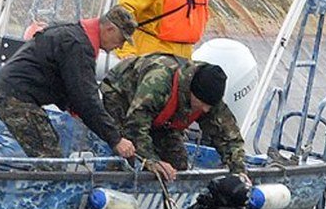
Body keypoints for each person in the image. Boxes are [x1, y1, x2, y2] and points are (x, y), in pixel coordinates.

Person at [0, 6, 138, 160]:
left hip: (8, 90)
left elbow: (68, 84)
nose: (120, 46)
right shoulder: (78, 45)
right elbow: (86, 98)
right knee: (50, 160)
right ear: (110, 29)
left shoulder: (72, 34)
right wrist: (116, 139)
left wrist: (76, 108)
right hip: (15, 97)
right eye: (121, 40)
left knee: (49, 146)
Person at [100, 53, 248, 182]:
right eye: (202, 104)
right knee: (129, 155)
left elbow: (229, 137)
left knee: (178, 163)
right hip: (121, 98)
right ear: (191, 92)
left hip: (162, 119)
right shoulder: (159, 81)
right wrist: (151, 161)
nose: (205, 109)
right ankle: (112, 183)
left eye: (209, 106)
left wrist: (239, 169)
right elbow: (134, 127)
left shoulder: (208, 99)